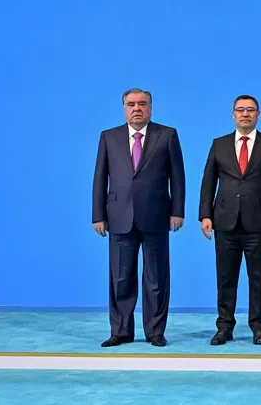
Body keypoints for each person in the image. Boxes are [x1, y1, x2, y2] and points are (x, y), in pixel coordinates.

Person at [91, 88, 186, 348]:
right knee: (120, 278)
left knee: (156, 278)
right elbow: (100, 177)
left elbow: (177, 177)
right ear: (124, 108)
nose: (137, 108)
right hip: (119, 217)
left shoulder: (167, 135)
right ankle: (121, 331)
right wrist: (98, 215)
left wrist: (177, 211)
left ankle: (155, 331)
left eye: (142, 104)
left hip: (156, 216)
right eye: (131, 104)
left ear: (150, 108)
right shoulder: (109, 137)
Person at [199, 95, 261, 346]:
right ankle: (224, 327)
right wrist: (205, 215)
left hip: (259, 222)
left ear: (258, 114)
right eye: (240, 110)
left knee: (259, 278)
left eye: (250, 110)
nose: (245, 114)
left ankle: (258, 327)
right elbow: (208, 181)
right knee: (225, 278)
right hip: (224, 221)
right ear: (233, 115)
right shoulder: (219, 144)